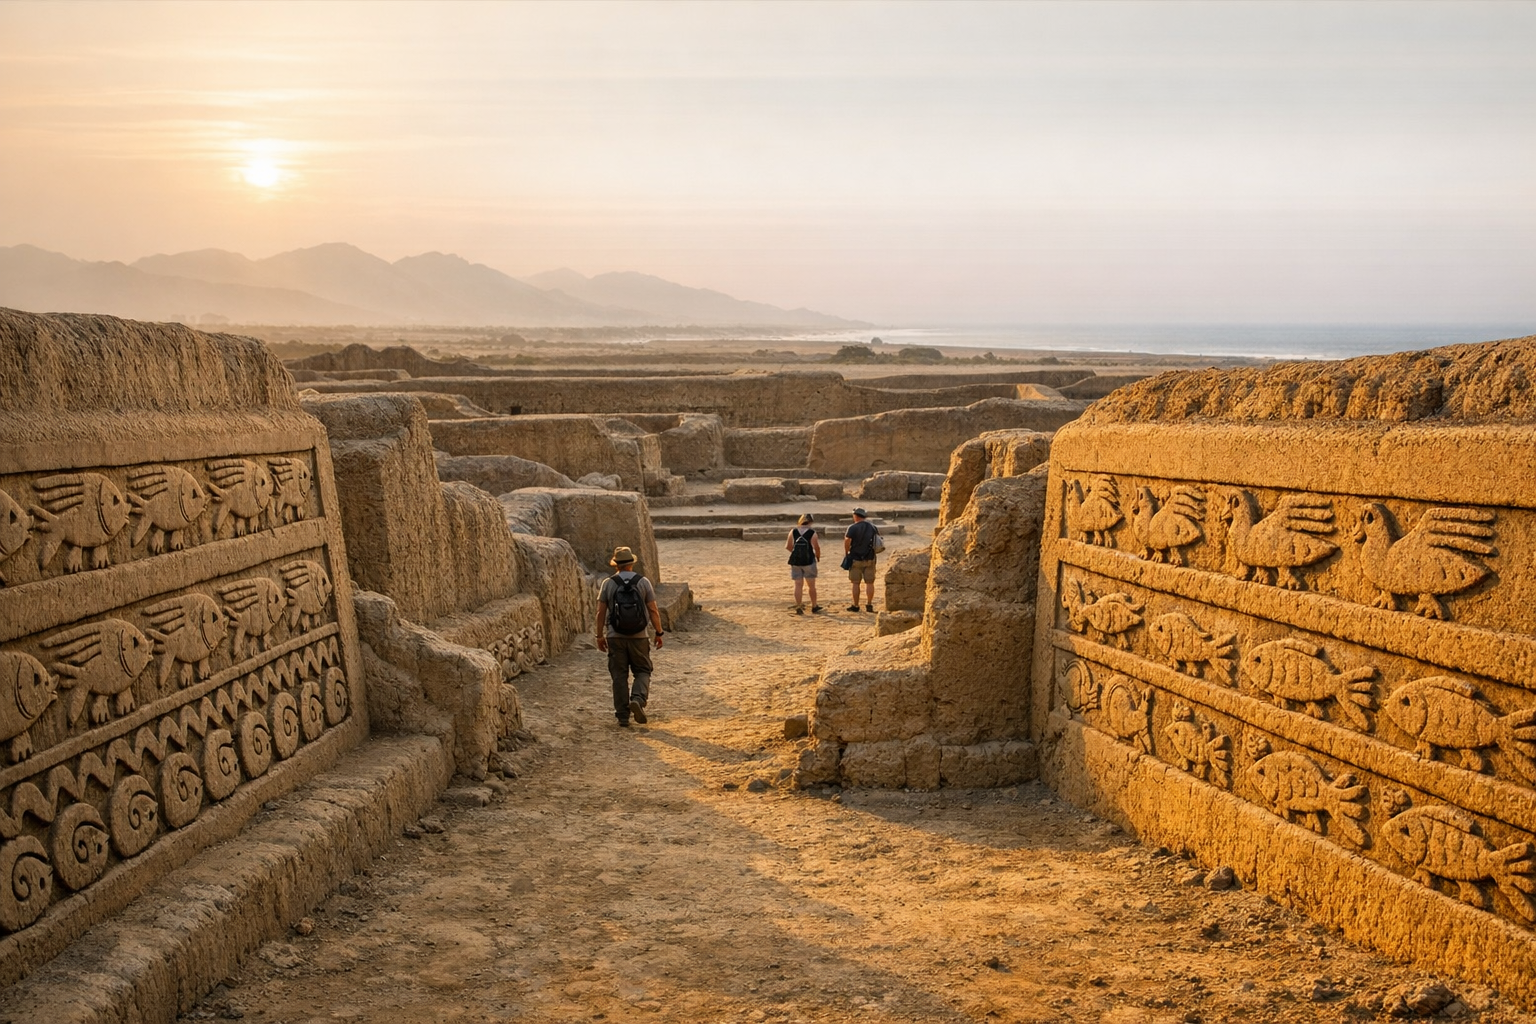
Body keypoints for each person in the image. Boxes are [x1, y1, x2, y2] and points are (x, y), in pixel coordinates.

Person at [594, 545, 663, 728]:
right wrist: (659, 632)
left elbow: (600, 613)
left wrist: (599, 635)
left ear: (615, 564)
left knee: (619, 675)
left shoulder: (608, 583)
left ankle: (623, 716)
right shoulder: (643, 582)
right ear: (631, 564)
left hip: (615, 636)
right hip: (639, 636)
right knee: (643, 670)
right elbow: (653, 610)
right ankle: (638, 700)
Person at [785, 512, 822, 614]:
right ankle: (814, 605)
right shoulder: (812, 533)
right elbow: (816, 547)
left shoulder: (793, 531)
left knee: (798, 585)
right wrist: (817, 556)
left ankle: (799, 606)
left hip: (795, 561)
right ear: (810, 522)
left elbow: (788, 546)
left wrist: (797, 553)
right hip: (808, 560)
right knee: (811, 586)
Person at [844, 507, 879, 612]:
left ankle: (856, 605)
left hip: (856, 557)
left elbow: (847, 541)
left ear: (855, 516)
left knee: (855, 583)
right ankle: (869, 604)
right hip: (870, 557)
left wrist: (847, 552)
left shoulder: (852, 528)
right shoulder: (873, 527)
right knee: (870, 582)